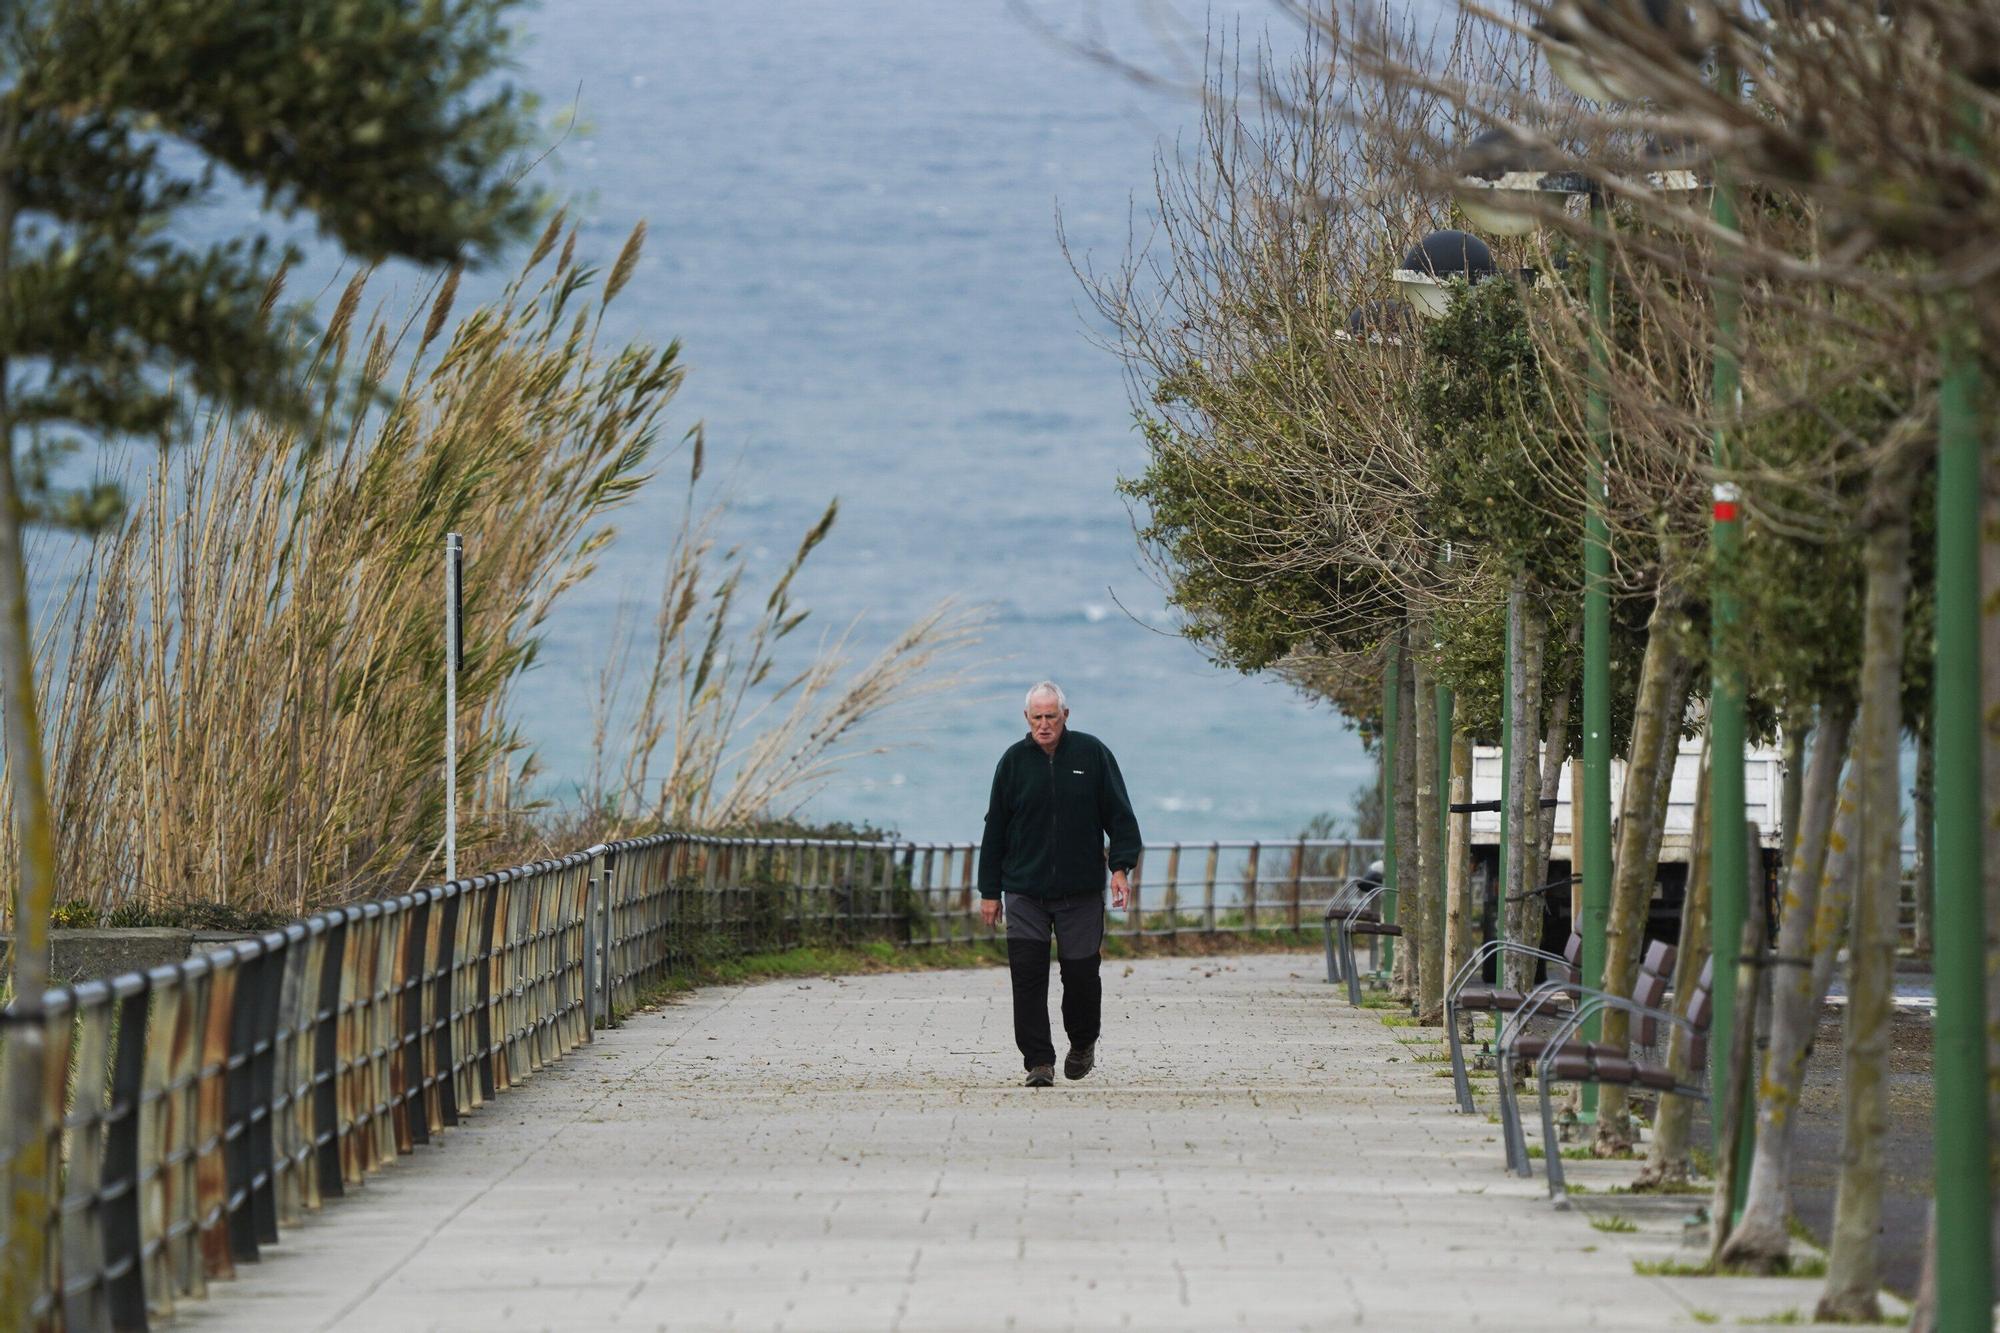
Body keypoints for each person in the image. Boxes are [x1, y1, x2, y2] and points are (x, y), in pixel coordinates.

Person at [978, 680, 1143, 1088]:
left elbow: (1120, 817)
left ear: (1065, 715)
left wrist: (1120, 868)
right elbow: (995, 829)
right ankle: (1038, 1061)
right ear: (1026, 718)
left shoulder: (1092, 754)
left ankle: (1083, 1042)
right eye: (1037, 717)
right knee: (1028, 976)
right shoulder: (1013, 762)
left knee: (1082, 975)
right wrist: (989, 892)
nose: (1044, 724)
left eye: (1051, 716)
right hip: (1024, 890)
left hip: (1080, 890)